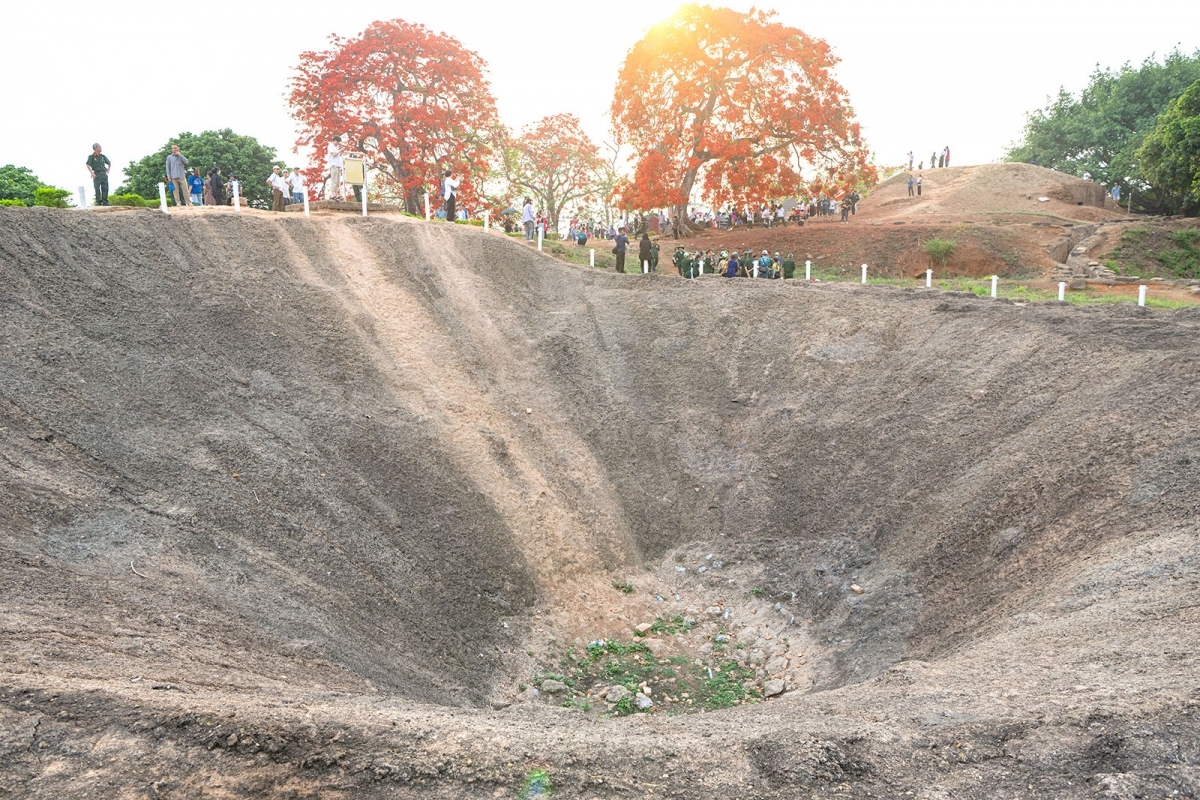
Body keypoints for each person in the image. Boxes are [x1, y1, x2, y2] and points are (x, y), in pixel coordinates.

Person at [165, 144, 190, 209]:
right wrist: (168, 176)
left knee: (185, 190)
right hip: (173, 176)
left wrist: (180, 155)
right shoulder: (169, 157)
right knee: (175, 191)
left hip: (181, 175)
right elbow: (168, 167)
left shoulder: (181, 156)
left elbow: (186, 162)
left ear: (178, 148)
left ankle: (189, 202)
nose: (174, 150)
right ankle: (178, 203)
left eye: (175, 148)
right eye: (172, 148)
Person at [326, 136, 344, 200]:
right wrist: (340, 150)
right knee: (334, 180)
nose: (338, 143)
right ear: (335, 140)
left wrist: (341, 152)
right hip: (333, 165)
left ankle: (336, 194)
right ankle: (332, 194)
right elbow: (334, 154)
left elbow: (338, 155)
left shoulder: (335, 147)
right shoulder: (331, 146)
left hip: (338, 165)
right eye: (338, 142)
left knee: (337, 181)